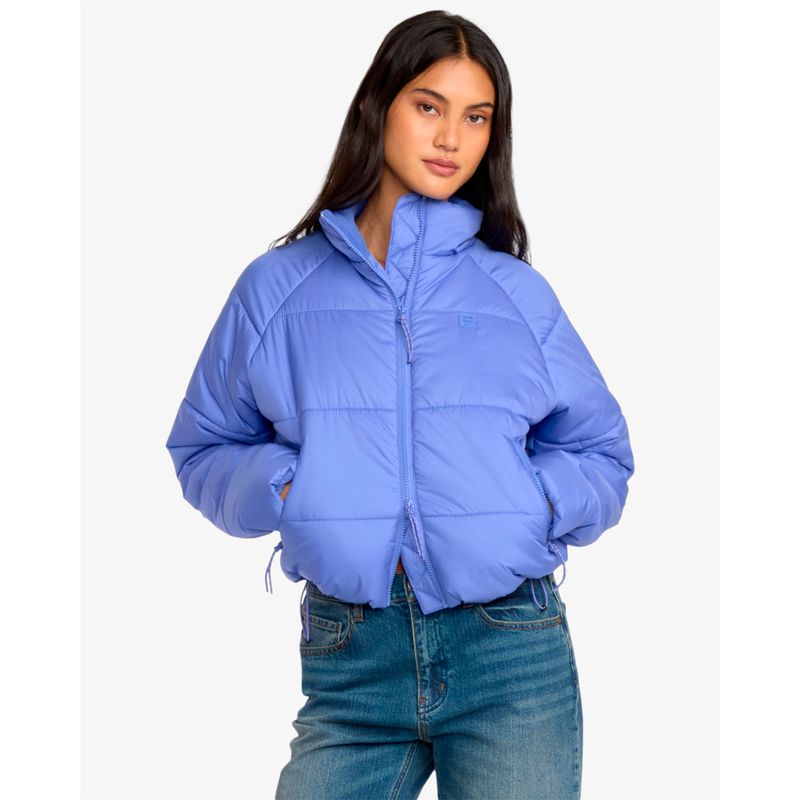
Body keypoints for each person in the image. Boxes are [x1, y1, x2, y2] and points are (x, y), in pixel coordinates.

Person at [165, 10, 634, 800]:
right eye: (428, 106)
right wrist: (290, 488)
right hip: (353, 651)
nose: (452, 137)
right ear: (376, 107)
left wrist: (529, 502)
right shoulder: (276, 289)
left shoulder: (515, 294)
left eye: (476, 117)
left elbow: (601, 452)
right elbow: (202, 446)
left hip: (508, 649)